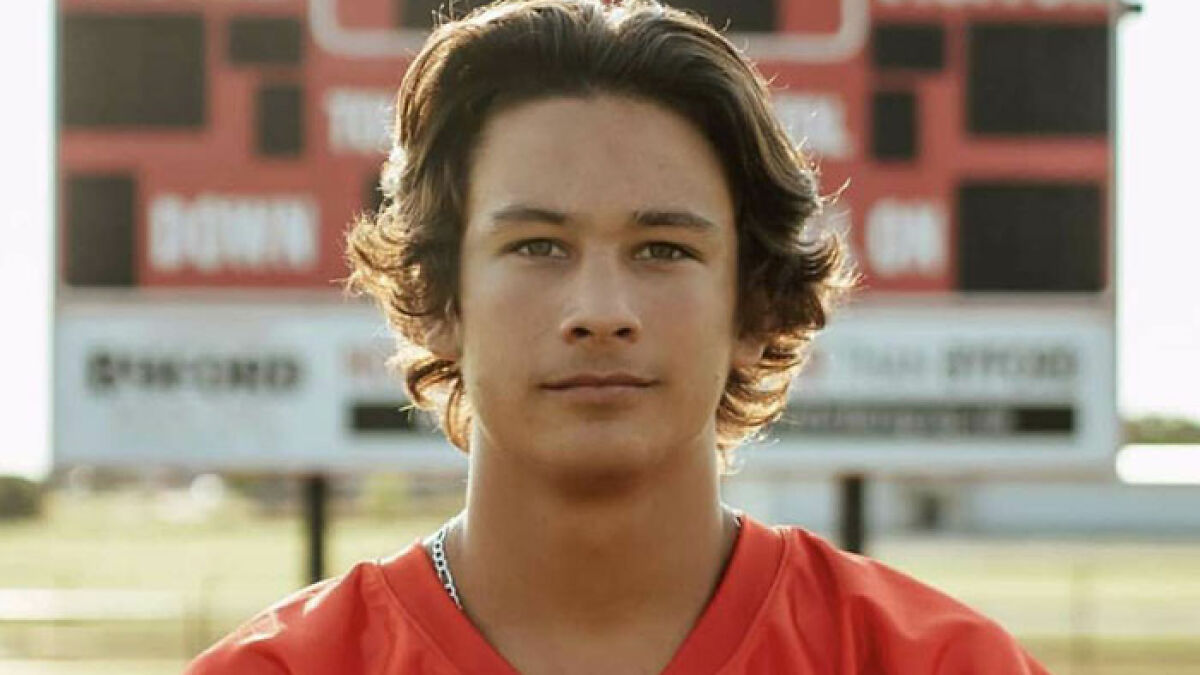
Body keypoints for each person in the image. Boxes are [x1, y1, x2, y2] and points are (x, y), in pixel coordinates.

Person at [187, 1, 1050, 672]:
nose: (600, 309)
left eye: (664, 249)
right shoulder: (280, 668)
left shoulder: (935, 661)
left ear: (753, 306)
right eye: (536, 245)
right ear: (441, 296)